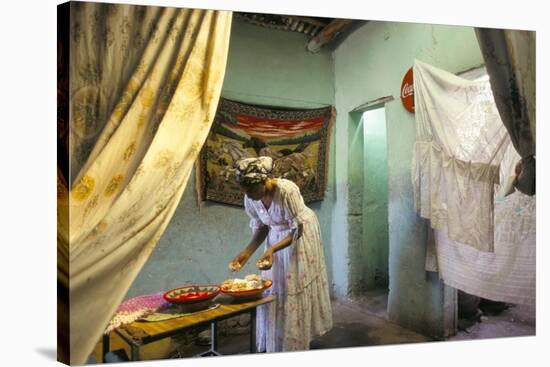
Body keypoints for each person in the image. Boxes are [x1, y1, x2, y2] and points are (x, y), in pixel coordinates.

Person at [228, 156, 333, 353]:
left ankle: (294, 342)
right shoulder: (251, 197)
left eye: (251, 190)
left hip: (299, 236)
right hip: (276, 237)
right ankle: (277, 339)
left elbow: (297, 229)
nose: (249, 196)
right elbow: (261, 228)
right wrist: (246, 253)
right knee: (275, 286)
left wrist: (272, 249)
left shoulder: (287, 191)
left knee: (292, 283)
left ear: (263, 180)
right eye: (245, 191)